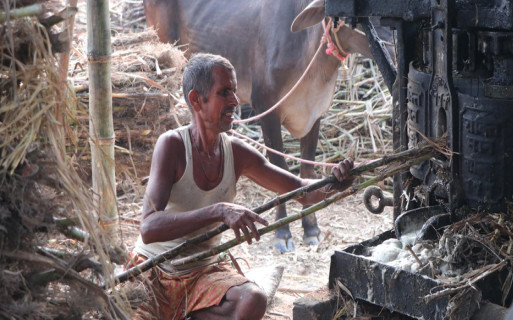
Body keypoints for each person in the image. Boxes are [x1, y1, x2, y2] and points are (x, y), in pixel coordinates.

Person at [131, 53, 356, 320]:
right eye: (224, 92)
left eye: (235, 92)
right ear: (195, 100)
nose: (235, 102)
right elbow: (149, 228)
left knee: (253, 300)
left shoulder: (236, 153)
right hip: (157, 270)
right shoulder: (173, 146)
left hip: (203, 273)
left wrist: (335, 183)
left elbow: (299, 190)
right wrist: (219, 211)